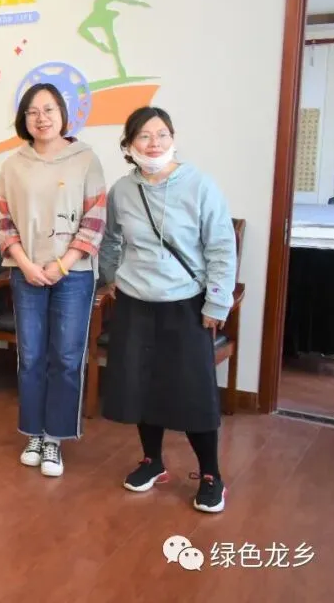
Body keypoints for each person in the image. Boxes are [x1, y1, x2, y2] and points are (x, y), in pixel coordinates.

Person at [99, 107, 236, 514]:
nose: (154, 143)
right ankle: (153, 461)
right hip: (136, 303)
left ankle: (210, 474)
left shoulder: (200, 185)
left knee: (193, 391)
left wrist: (217, 301)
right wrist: (112, 277)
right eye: (144, 136)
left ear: (173, 139)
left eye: (162, 134)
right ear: (129, 145)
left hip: (186, 304)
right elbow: (110, 240)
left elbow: (221, 247)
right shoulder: (122, 191)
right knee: (141, 385)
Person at [0, 83, 106, 477]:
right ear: (23, 119)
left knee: (66, 358)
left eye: (49, 110)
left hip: (73, 274)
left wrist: (64, 264)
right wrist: (25, 264)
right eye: (33, 112)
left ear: (63, 114)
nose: (41, 118)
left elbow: (95, 219)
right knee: (31, 357)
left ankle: (55, 439)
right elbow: (4, 222)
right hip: (27, 272)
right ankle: (33, 433)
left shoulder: (85, 159)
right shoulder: (13, 164)